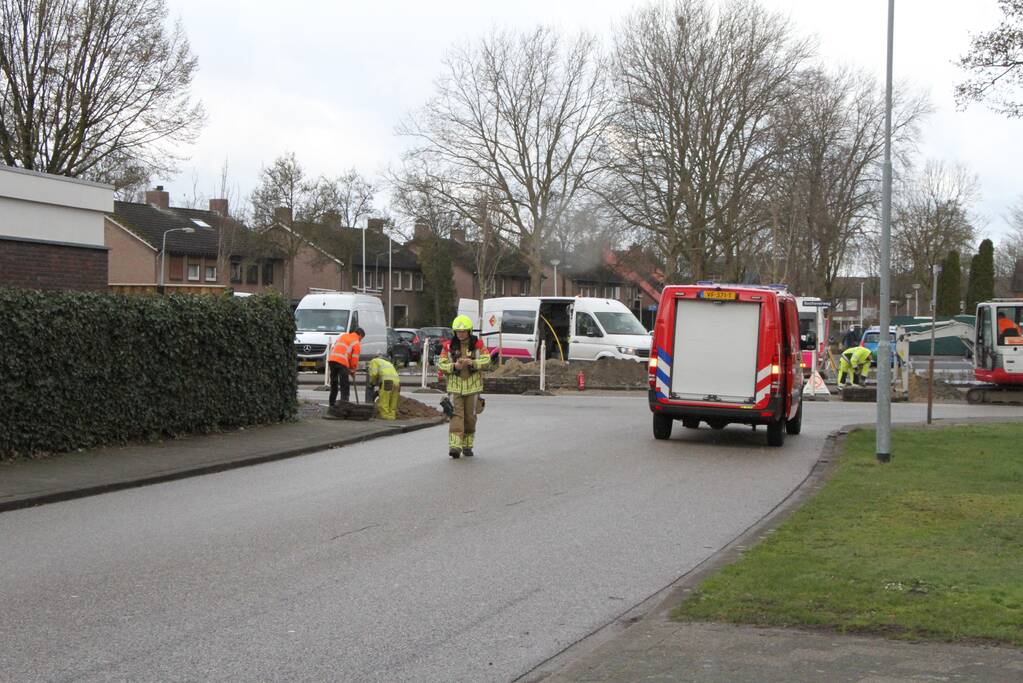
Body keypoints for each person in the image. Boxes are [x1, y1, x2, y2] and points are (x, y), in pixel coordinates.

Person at [438, 314, 490, 458]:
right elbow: (441, 364)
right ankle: (455, 447)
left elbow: (487, 360)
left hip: (473, 389)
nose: (460, 334)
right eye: (458, 332)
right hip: (455, 388)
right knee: (456, 417)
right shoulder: (448, 347)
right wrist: (454, 366)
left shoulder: (478, 345)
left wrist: (473, 363)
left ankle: (467, 445)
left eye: (463, 331)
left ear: (469, 331)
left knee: (470, 418)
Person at [328, 327, 365, 407]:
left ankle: (332, 404)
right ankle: (344, 404)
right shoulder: (356, 342)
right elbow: (354, 359)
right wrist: (353, 370)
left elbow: (336, 347)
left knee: (334, 384)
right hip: (342, 362)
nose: (361, 340)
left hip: (332, 360)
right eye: (361, 338)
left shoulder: (343, 336)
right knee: (344, 384)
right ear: (360, 335)